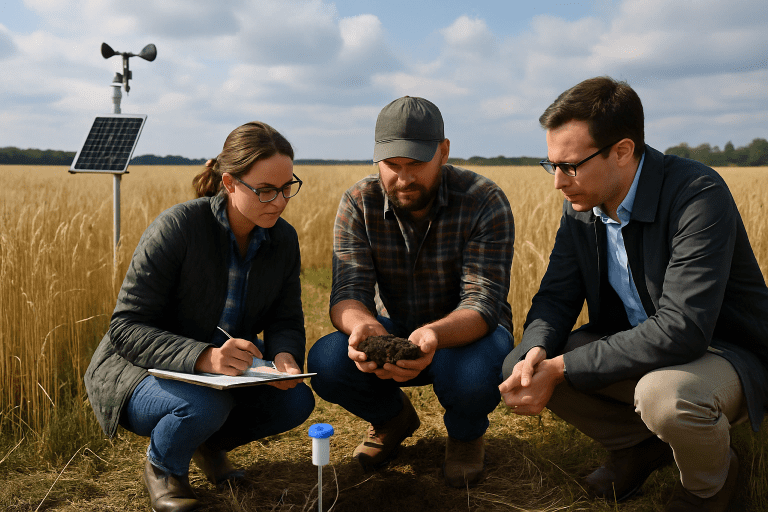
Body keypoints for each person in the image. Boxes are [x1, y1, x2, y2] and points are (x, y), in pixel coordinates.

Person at [499, 76, 768, 511]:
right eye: (552, 165)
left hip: (723, 352)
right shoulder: (582, 206)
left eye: (570, 165)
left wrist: (563, 366)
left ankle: (710, 486)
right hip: (644, 344)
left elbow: (682, 330)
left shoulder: (696, 194)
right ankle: (642, 447)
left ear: (622, 151)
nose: (558, 183)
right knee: (522, 365)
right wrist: (534, 351)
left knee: (667, 397)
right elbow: (555, 298)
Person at [84, 121, 315, 512]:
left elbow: (285, 317)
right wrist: (205, 357)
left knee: (295, 403)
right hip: (137, 371)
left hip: (217, 374)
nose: (278, 201)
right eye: (265, 190)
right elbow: (125, 328)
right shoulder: (179, 227)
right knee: (206, 406)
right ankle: (164, 468)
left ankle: (206, 445)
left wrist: (285, 357)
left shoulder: (283, 239)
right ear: (229, 183)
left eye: (286, 187)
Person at [307, 96, 515, 488]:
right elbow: (348, 291)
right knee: (329, 360)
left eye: (416, 164)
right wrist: (364, 326)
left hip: (471, 337)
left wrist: (434, 335)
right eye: (392, 166)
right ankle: (393, 420)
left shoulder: (484, 199)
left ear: (444, 151)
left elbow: (482, 302)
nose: (402, 178)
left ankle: (466, 435)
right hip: (397, 326)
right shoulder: (359, 201)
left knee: (470, 374)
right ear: (377, 159)